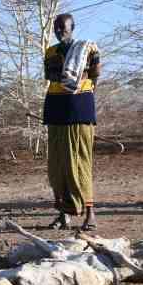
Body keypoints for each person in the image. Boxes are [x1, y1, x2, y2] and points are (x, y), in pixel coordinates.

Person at [43, 13, 101, 231]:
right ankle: (63, 214)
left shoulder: (89, 49)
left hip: (79, 107)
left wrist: (81, 87)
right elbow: (51, 75)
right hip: (56, 107)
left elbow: (95, 75)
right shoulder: (51, 52)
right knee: (57, 164)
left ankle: (90, 214)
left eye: (63, 27)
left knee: (80, 160)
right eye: (56, 28)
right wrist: (76, 76)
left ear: (72, 27)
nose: (59, 31)